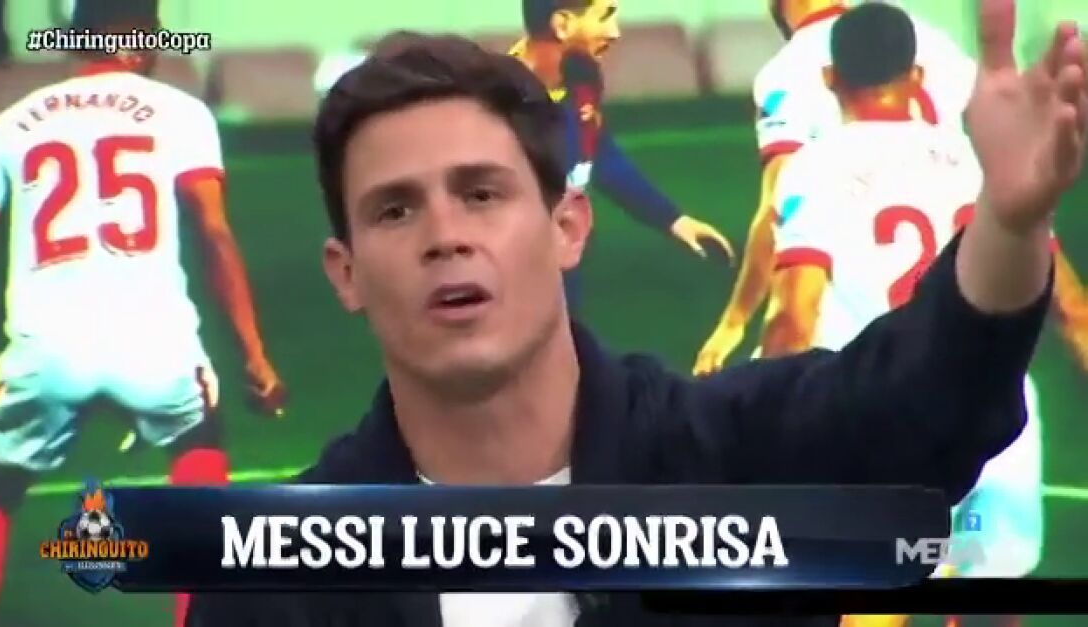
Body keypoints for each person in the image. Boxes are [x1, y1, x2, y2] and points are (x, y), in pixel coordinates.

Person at [187, 0, 1087, 622]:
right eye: (395, 209)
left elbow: (926, 401)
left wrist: (1008, 227)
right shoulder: (273, 580)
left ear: (568, 226)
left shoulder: (735, 459)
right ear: (345, 272)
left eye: (482, 193)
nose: (445, 235)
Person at [0, 2, 286, 627]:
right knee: (200, 454)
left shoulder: (15, 121)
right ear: (137, 45)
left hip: (45, 346)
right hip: (154, 341)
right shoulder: (180, 112)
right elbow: (214, 233)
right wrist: (254, 354)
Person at [752, 5, 1047, 627]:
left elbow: (796, 316)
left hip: (884, 416)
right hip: (996, 416)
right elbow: (1064, 296)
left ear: (831, 80)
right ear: (916, 75)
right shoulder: (974, 160)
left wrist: (768, 418)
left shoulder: (814, 167)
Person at [692, 0, 975, 374]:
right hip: (958, 338)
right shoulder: (935, 44)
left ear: (831, 78)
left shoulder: (791, 71)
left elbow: (777, 216)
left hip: (860, 344)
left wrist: (734, 321)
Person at [511, 0, 734, 304]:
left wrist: (672, 219)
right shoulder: (497, 100)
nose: (615, 32)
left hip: (564, 273)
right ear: (562, 25)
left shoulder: (583, 78)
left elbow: (599, 154)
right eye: (604, 16)